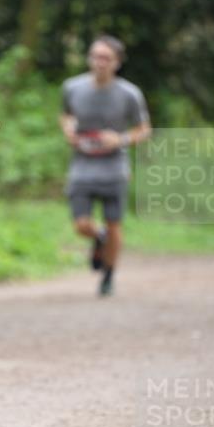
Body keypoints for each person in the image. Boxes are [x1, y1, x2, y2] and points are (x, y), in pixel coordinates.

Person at [59, 35, 151, 296]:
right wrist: (69, 129)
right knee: (80, 224)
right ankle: (98, 237)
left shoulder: (130, 94)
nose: (99, 62)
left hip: (114, 167)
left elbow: (144, 130)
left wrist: (119, 139)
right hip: (82, 165)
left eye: (106, 58)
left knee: (115, 225)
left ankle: (108, 275)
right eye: (95, 56)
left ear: (117, 63)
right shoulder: (72, 87)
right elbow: (65, 115)